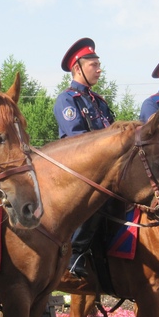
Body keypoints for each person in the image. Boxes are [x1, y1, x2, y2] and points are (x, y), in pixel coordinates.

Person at [53, 38, 115, 278]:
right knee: (98, 196)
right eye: (94, 65)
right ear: (78, 68)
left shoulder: (99, 102)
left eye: (99, 64)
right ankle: (75, 253)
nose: (99, 69)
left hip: (107, 169)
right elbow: (78, 140)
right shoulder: (67, 100)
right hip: (79, 171)